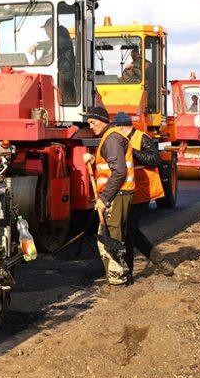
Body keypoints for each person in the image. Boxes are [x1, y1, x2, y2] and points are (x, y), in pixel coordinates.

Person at [111, 112, 175, 277]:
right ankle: (159, 261)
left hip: (143, 191)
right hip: (131, 191)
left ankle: (129, 272)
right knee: (130, 229)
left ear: (122, 127)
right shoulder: (122, 140)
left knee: (129, 230)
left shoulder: (141, 137)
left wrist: (132, 152)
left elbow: (155, 159)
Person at [83, 106, 134, 286]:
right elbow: (111, 163)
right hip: (119, 193)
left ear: (103, 120)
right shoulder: (111, 136)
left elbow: (119, 171)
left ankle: (118, 280)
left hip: (117, 194)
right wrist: (94, 159)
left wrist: (104, 198)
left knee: (111, 237)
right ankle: (120, 276)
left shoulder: (111, 138)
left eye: (93, 122)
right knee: (114, 234)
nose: (91, 127)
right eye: (89, 123)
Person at [30, 18, 76, 102]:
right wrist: (38, 62)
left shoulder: (63, 37)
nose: (46, 33)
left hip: (65, 73)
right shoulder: (54, 43)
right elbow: (49, 55)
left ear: (52, 27)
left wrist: (38, 45)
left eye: (47, 30)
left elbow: (55, 45)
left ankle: (64, 102)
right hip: (60, 72)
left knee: (61, 94)